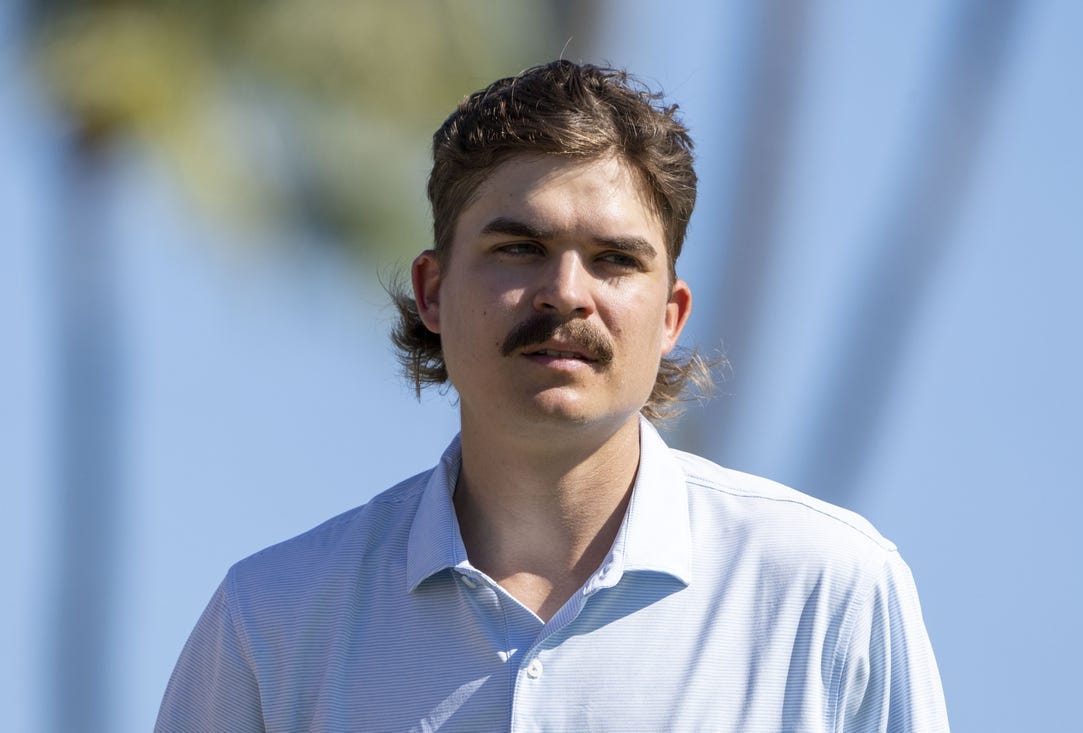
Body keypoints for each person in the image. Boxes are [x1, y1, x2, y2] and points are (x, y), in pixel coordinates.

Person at [155, 60, 949, 732]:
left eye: (613, 260)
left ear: (670, 316)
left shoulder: (829, 591)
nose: (565, 293)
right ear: (431, 291)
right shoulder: (275, 621)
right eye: (520, 248)